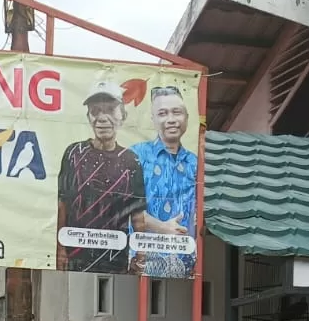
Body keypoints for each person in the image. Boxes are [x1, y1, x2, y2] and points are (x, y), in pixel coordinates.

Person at [55, 82, 146, 272]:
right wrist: (60, 249)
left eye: (111, 110)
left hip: (116, 259)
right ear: (88, 117)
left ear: (122, 116)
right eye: (96, 111)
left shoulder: (131, 161)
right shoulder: (74, 153)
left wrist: (140, 256)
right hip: (75, 258)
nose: (102, 118)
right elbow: (62, 205)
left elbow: (137, 216)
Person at [130, 85, 200, 278]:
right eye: (163, 113)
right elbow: (124, 207)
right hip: (142, 262)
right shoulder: (136, 155)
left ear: (186, 117)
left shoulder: (196, 164)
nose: (171, 120)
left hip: (185, 265)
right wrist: (163, 227)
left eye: (176, 112)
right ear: (153, 119)